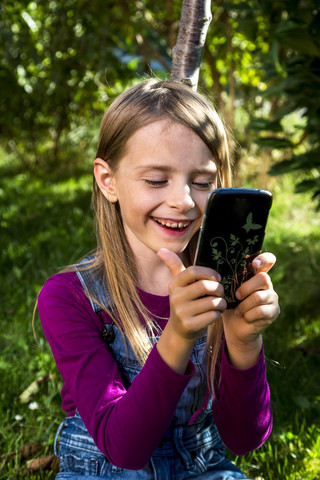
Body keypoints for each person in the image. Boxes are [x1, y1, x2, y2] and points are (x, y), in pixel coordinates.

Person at [37, 78, 280, 479]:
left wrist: (242, 339)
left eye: (202, 182)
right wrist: (179, 336)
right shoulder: (69, 298)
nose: (183, 200)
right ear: (107, 180)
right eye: (156, 180)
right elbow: (124, 449)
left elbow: (244, 439)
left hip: (199, 466)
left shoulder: (221, 288)